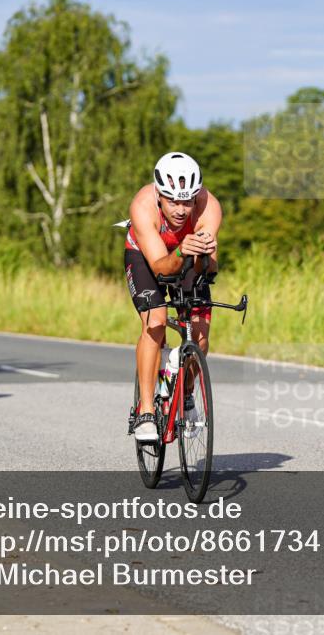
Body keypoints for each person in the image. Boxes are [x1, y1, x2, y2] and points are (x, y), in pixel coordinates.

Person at [125, 152, 221, 441]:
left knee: (200, 336)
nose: (181, 209)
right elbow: (161, 267)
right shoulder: (142, 206)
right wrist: (181, 250)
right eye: (172, 201)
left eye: (187, 201)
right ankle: (145, 410)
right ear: (159, 195)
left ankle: (187, 393)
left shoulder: (209, 206)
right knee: (154, 321)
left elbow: (211, 267)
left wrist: (205, 257)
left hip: (188, 255)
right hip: (147, 257)